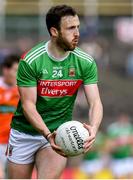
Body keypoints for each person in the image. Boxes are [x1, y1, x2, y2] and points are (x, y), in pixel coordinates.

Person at [7, 5, 103, 179]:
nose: (77, 33)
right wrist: (46, 133)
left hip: (60, 134)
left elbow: (95, 102)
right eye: (71, 28)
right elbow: (29, 105)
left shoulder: (86, 62)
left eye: (78, 27)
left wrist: (94, 128)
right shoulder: (31, 61)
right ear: (54, 31)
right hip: (24, 133)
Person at [0, 55, 19, 178]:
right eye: (15, 70)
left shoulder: (22, 90)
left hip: (15, 143)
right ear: (6, 70)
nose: (18, 74)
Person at [106, 112, 133, 178]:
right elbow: (109, 144)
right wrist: (117, 143)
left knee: (129, 176)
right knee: (116, 177)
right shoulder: (113, 129)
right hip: (116, 159)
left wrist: (126, 141)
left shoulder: (129, 128)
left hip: (127, 157)